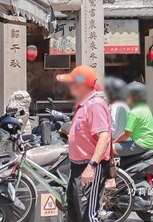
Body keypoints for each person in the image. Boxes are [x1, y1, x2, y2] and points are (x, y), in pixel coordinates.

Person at [57, 66, 111, 222]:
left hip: (89, 166)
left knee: (88, 215)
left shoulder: (95, 104)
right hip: (77, 166)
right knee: (75, 212)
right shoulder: (83, 105)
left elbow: (104, 137)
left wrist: (92, 166)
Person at [113, 82, 153, 157]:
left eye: (127, 95)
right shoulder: (145, 107)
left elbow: (126, 134)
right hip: (152, 143)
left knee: (110, 148)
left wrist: (114, 142)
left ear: (134, 96)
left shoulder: (134, 112)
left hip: (141, 144)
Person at [103, 77, 130, 141]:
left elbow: (113, 130)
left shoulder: (114, 107)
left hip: (117, 141)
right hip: (127, 140)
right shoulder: (125, 105)